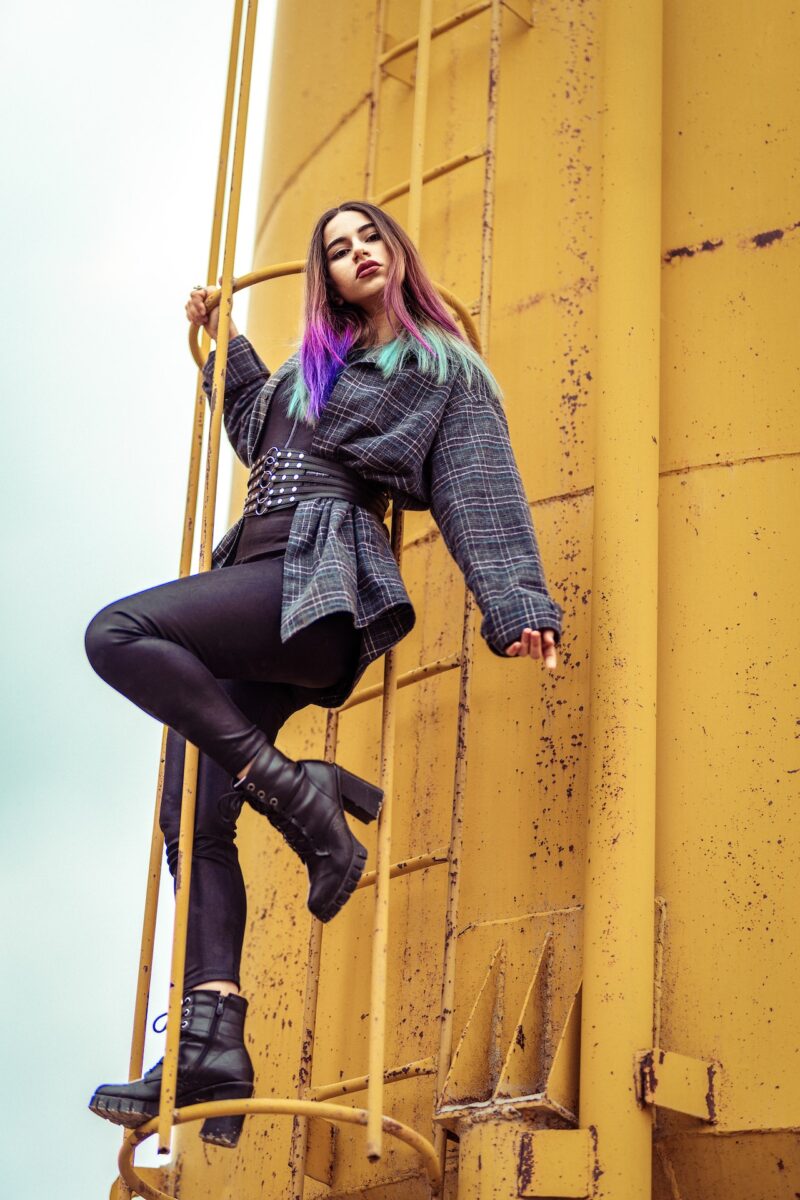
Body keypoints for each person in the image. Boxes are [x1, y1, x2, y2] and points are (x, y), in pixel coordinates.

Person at [84, 201, 564, 1146]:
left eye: (370, 239)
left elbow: (479, 485)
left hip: (317, 587)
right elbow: (254, 420)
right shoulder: (309, 374)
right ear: (328, 277)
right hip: (256, 580)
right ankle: (210, 1041)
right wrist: (220, 340)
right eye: (338, 251)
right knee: (191, 805)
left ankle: (304, 798)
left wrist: (518, 608)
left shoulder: (438, 368)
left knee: (117, 633)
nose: (358, 256)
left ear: (396, 252)